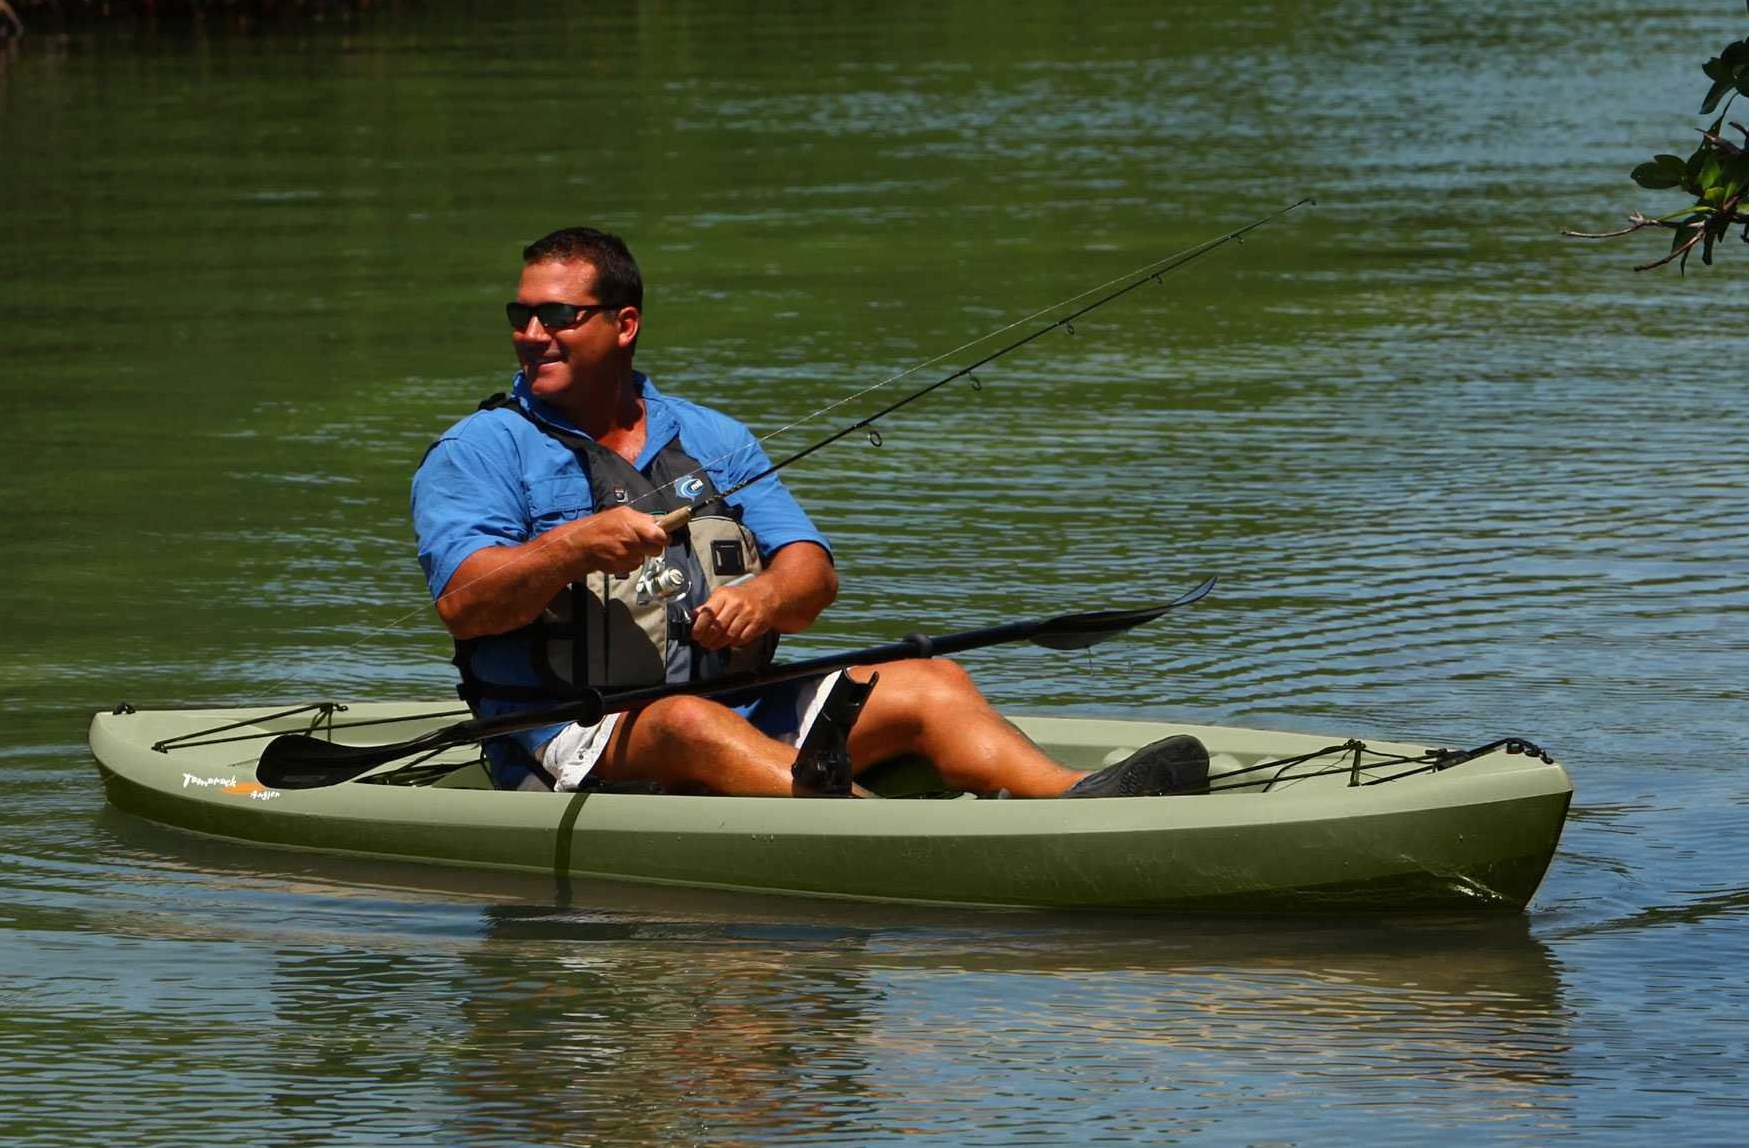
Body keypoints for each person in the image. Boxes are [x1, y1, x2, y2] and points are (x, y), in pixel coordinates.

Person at [411, 227, 1209, 800]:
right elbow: (466, 604)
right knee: (687, 720)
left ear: (623, 324)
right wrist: (573, 547)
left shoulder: (714, 437)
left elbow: (812, 574)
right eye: (521, 316)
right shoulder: (481, 451)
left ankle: (1076, 804)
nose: (531, 335)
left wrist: (764, 598)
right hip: (573, 733)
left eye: (557, 317)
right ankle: (898, 845)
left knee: (931, 681)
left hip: (747, 703)